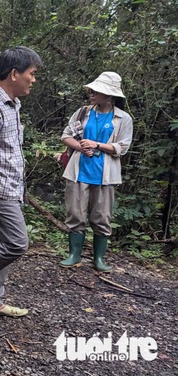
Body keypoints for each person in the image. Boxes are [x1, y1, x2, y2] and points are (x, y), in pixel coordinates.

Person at [0, 47, 43, 318]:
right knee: (16, 243)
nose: (33, 79)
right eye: (31, 74)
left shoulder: (12, 104)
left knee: (0, 243)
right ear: (14, 74)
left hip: (12, 188)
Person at [59, 72, 133, 272]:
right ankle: (74, 255)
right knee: (75, 214)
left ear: (109, 95)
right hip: (78, 171)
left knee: (101, 217)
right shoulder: (82, 112)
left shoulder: (122, 118)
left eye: (96, 91)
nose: (91, 93)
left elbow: (123, 147)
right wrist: (81, 147)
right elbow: (66, 135)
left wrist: (97, 145)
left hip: (105, 175)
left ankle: (99, 258)